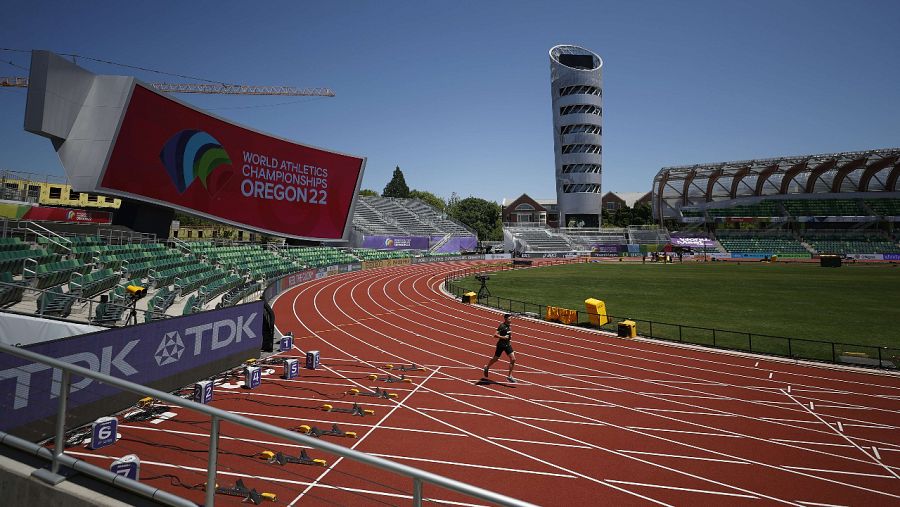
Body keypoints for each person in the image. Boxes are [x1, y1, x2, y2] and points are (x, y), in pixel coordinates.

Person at [483, 314, 516, 383]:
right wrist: (503, 337)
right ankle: (487, 367)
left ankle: (509, 376)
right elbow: (495, 335)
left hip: (507, 345)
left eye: (511, 319)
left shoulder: (509, 325)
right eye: (509, 319)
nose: (510, 320)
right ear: (505, 319)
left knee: (513, 359)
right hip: (501, 345)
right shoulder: (502, 326)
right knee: (495, 359)